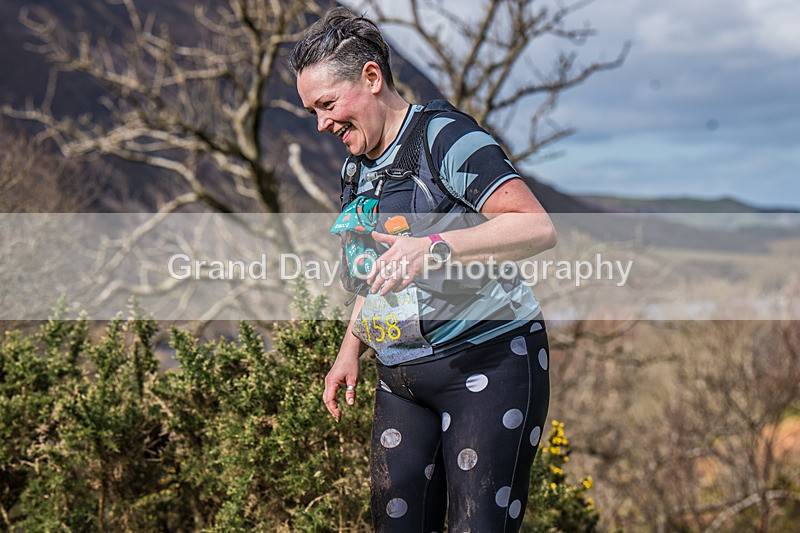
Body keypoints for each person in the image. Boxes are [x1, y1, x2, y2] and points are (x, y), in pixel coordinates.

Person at [290, 7, 557, 532]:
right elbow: (375, 274)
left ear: (371, 77)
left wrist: (431, 246)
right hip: (402, 378)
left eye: (326, 105)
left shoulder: (443, 136)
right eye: (311, 112)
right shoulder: (355, 168)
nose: (321, 124)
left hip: (490, 362)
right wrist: (350, 350)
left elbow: (535, 226)